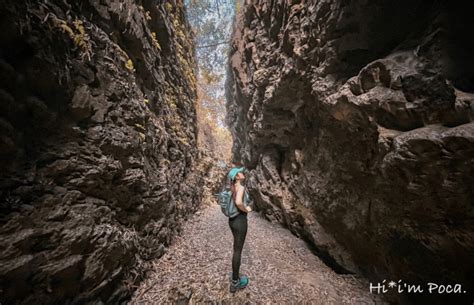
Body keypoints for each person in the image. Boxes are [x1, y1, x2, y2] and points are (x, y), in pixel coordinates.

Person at [227, 167, 252, 293]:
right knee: (238, 250)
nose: (243, 173)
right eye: (240, 172)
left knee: (235, 249)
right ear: (237, 176)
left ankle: (234, 275)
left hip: (232, 221)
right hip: (240, 221)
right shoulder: (240, 187)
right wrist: (246, 209)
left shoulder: (232, 188)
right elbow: (238, 202)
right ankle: (236, 282)